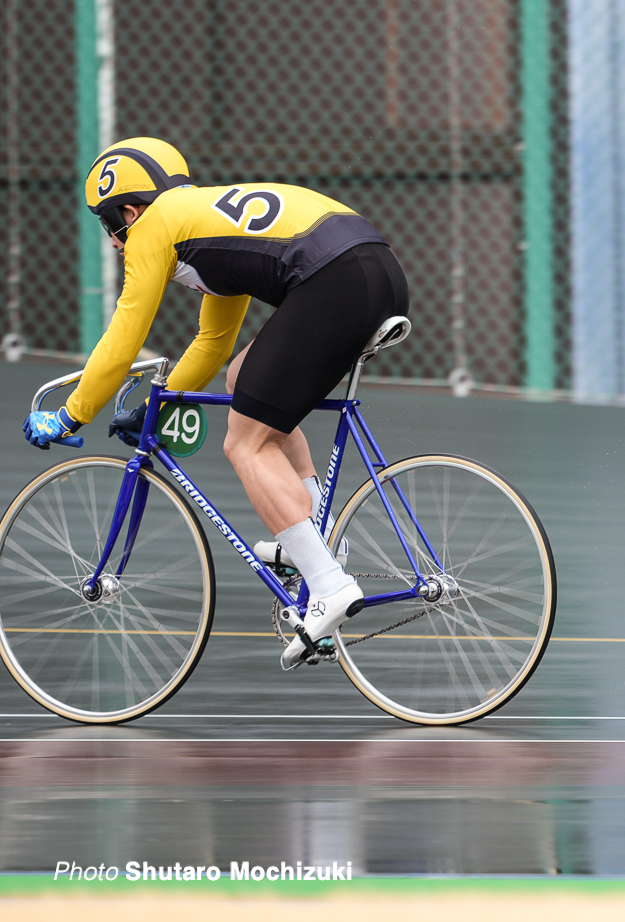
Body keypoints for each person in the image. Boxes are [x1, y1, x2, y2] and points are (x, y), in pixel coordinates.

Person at [24, 138, 412, 669]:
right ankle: (319, 545)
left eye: (110, 225)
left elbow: (124, 336)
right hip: (377, 269)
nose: (114, 243)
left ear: (130, 211)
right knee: (244, 381)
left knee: (244, 445)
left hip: (334, 279)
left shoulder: (155, 228)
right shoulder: (202, 226)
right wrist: (160, 407)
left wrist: (72, 412)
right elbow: (214, 343)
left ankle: (327, 584)